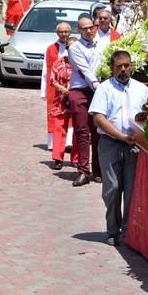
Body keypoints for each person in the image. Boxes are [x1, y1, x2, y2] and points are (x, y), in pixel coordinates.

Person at [89, 50, 148, 246]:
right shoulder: (104, 89)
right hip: (111, 143)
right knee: (113, 189)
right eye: (119, 66)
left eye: (126, 65)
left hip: (135, 145)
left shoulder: (142, 89)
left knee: (132, 190)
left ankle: (128, 232)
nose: (123, 69)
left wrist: (142, 129)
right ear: (112, 67)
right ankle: (112, 230)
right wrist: (120, 136)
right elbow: (98, 118)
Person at [68, 16, 103, 187]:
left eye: (91, 27)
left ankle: (98, 170)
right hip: (80, 90)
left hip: (97, 92)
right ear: (79, 31)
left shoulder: (102, 45)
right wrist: (97, 85)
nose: (89, 31)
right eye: (84, 29)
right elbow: (85, 69)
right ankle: (83, 170)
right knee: (82, 131)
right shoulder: (75, 48)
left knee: (98, 131)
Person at [41, 22, 73, 151]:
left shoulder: (74, 45)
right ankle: (53, 143)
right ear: (57, 33)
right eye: (61, 31)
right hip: (55, 87)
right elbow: (45, 71)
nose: (64, 34)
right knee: (55, 115)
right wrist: (44, 91)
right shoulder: (51, 49)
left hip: (71, 86)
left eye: (66, 31)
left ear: (70, 32)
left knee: (71, 115)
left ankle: (69, 142)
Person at [49, 37, 78, 170]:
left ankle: (76, 158)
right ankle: (58, 158)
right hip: (60, 101)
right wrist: (64, 90)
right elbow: (52, 80)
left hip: (78, 100)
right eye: (69, 48)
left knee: (79, 129)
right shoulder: (58, 63)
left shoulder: (82, 64)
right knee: (59, 128)